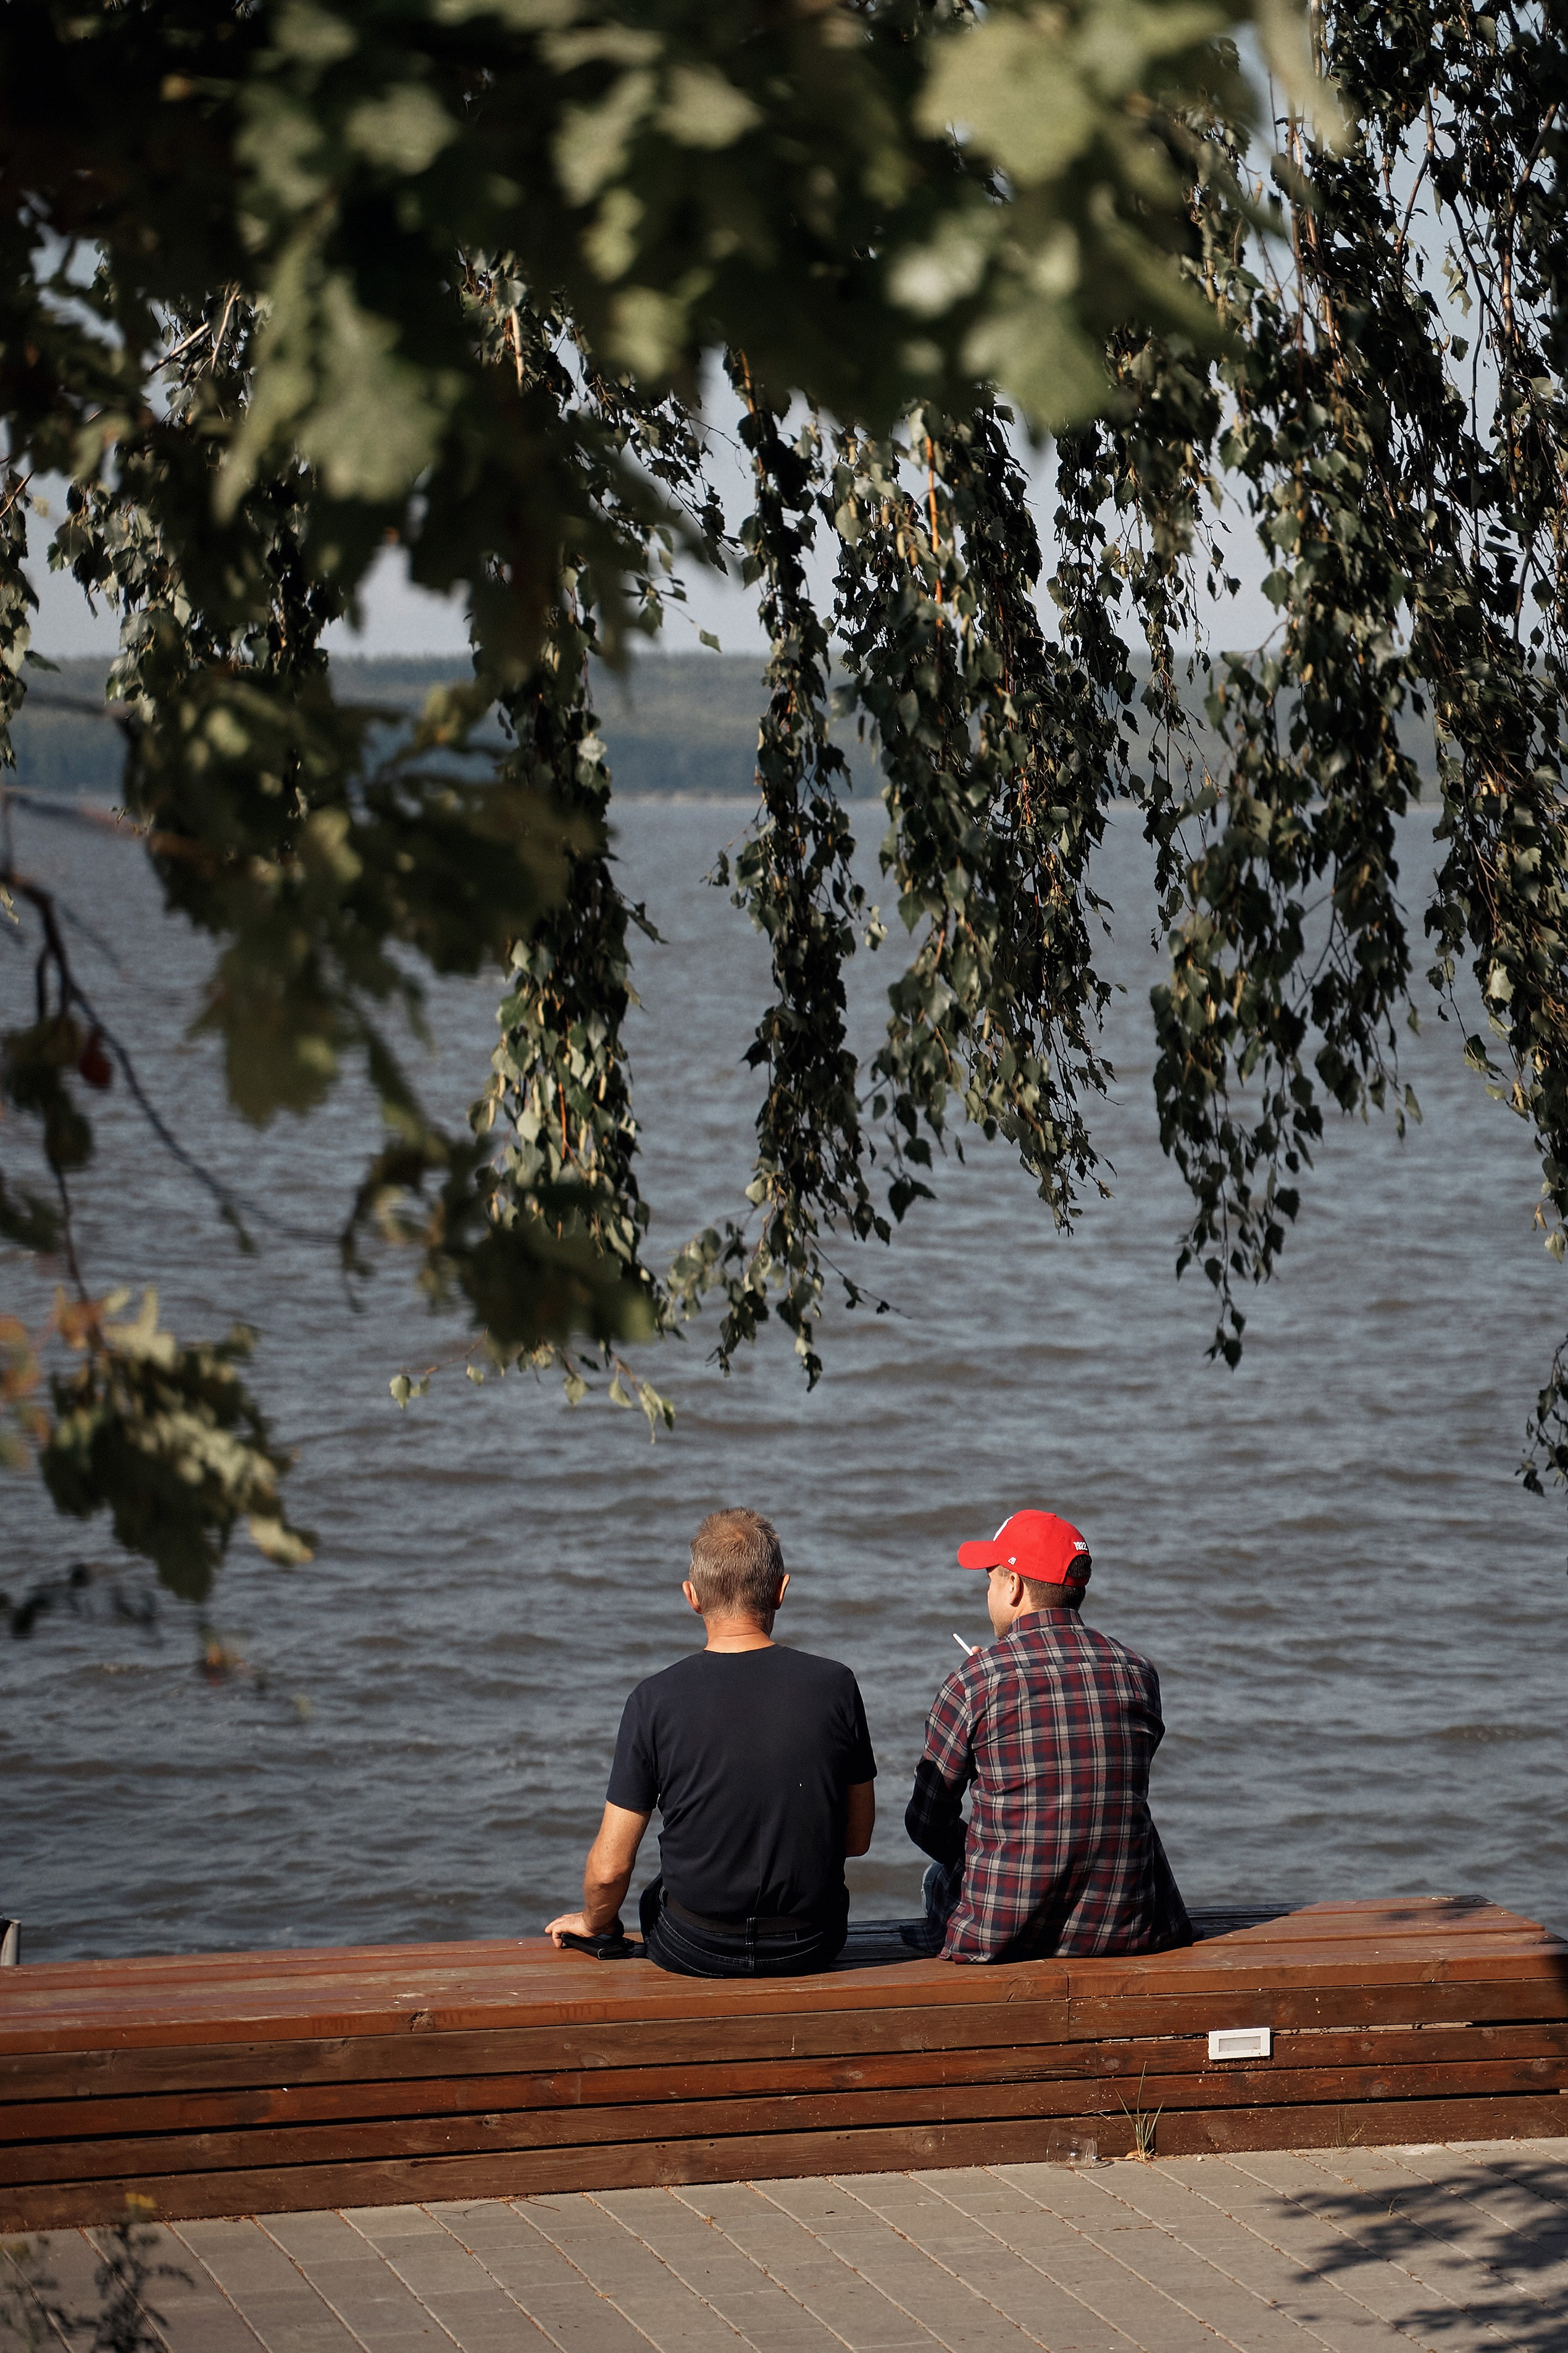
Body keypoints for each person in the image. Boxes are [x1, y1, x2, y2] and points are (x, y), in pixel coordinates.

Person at [546, 1506, 877, 1976]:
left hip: (694, 1946)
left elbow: (610, 1869)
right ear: (781, 1590)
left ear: (693, 1596)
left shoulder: (653, 1700)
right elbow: (857, 1839)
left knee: (657, 1893)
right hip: (810, 1943)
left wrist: (594, 1920)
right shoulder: (836, 1686)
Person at [906, 1507, 1190, 1963]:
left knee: (935, 1879)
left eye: (990, 1579)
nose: (988, 1591)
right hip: (1128, 1927)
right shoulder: (1138, 1673)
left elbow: (925, 1822)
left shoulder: (975, 1682)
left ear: (1014, 1586)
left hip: (1002, 1937)